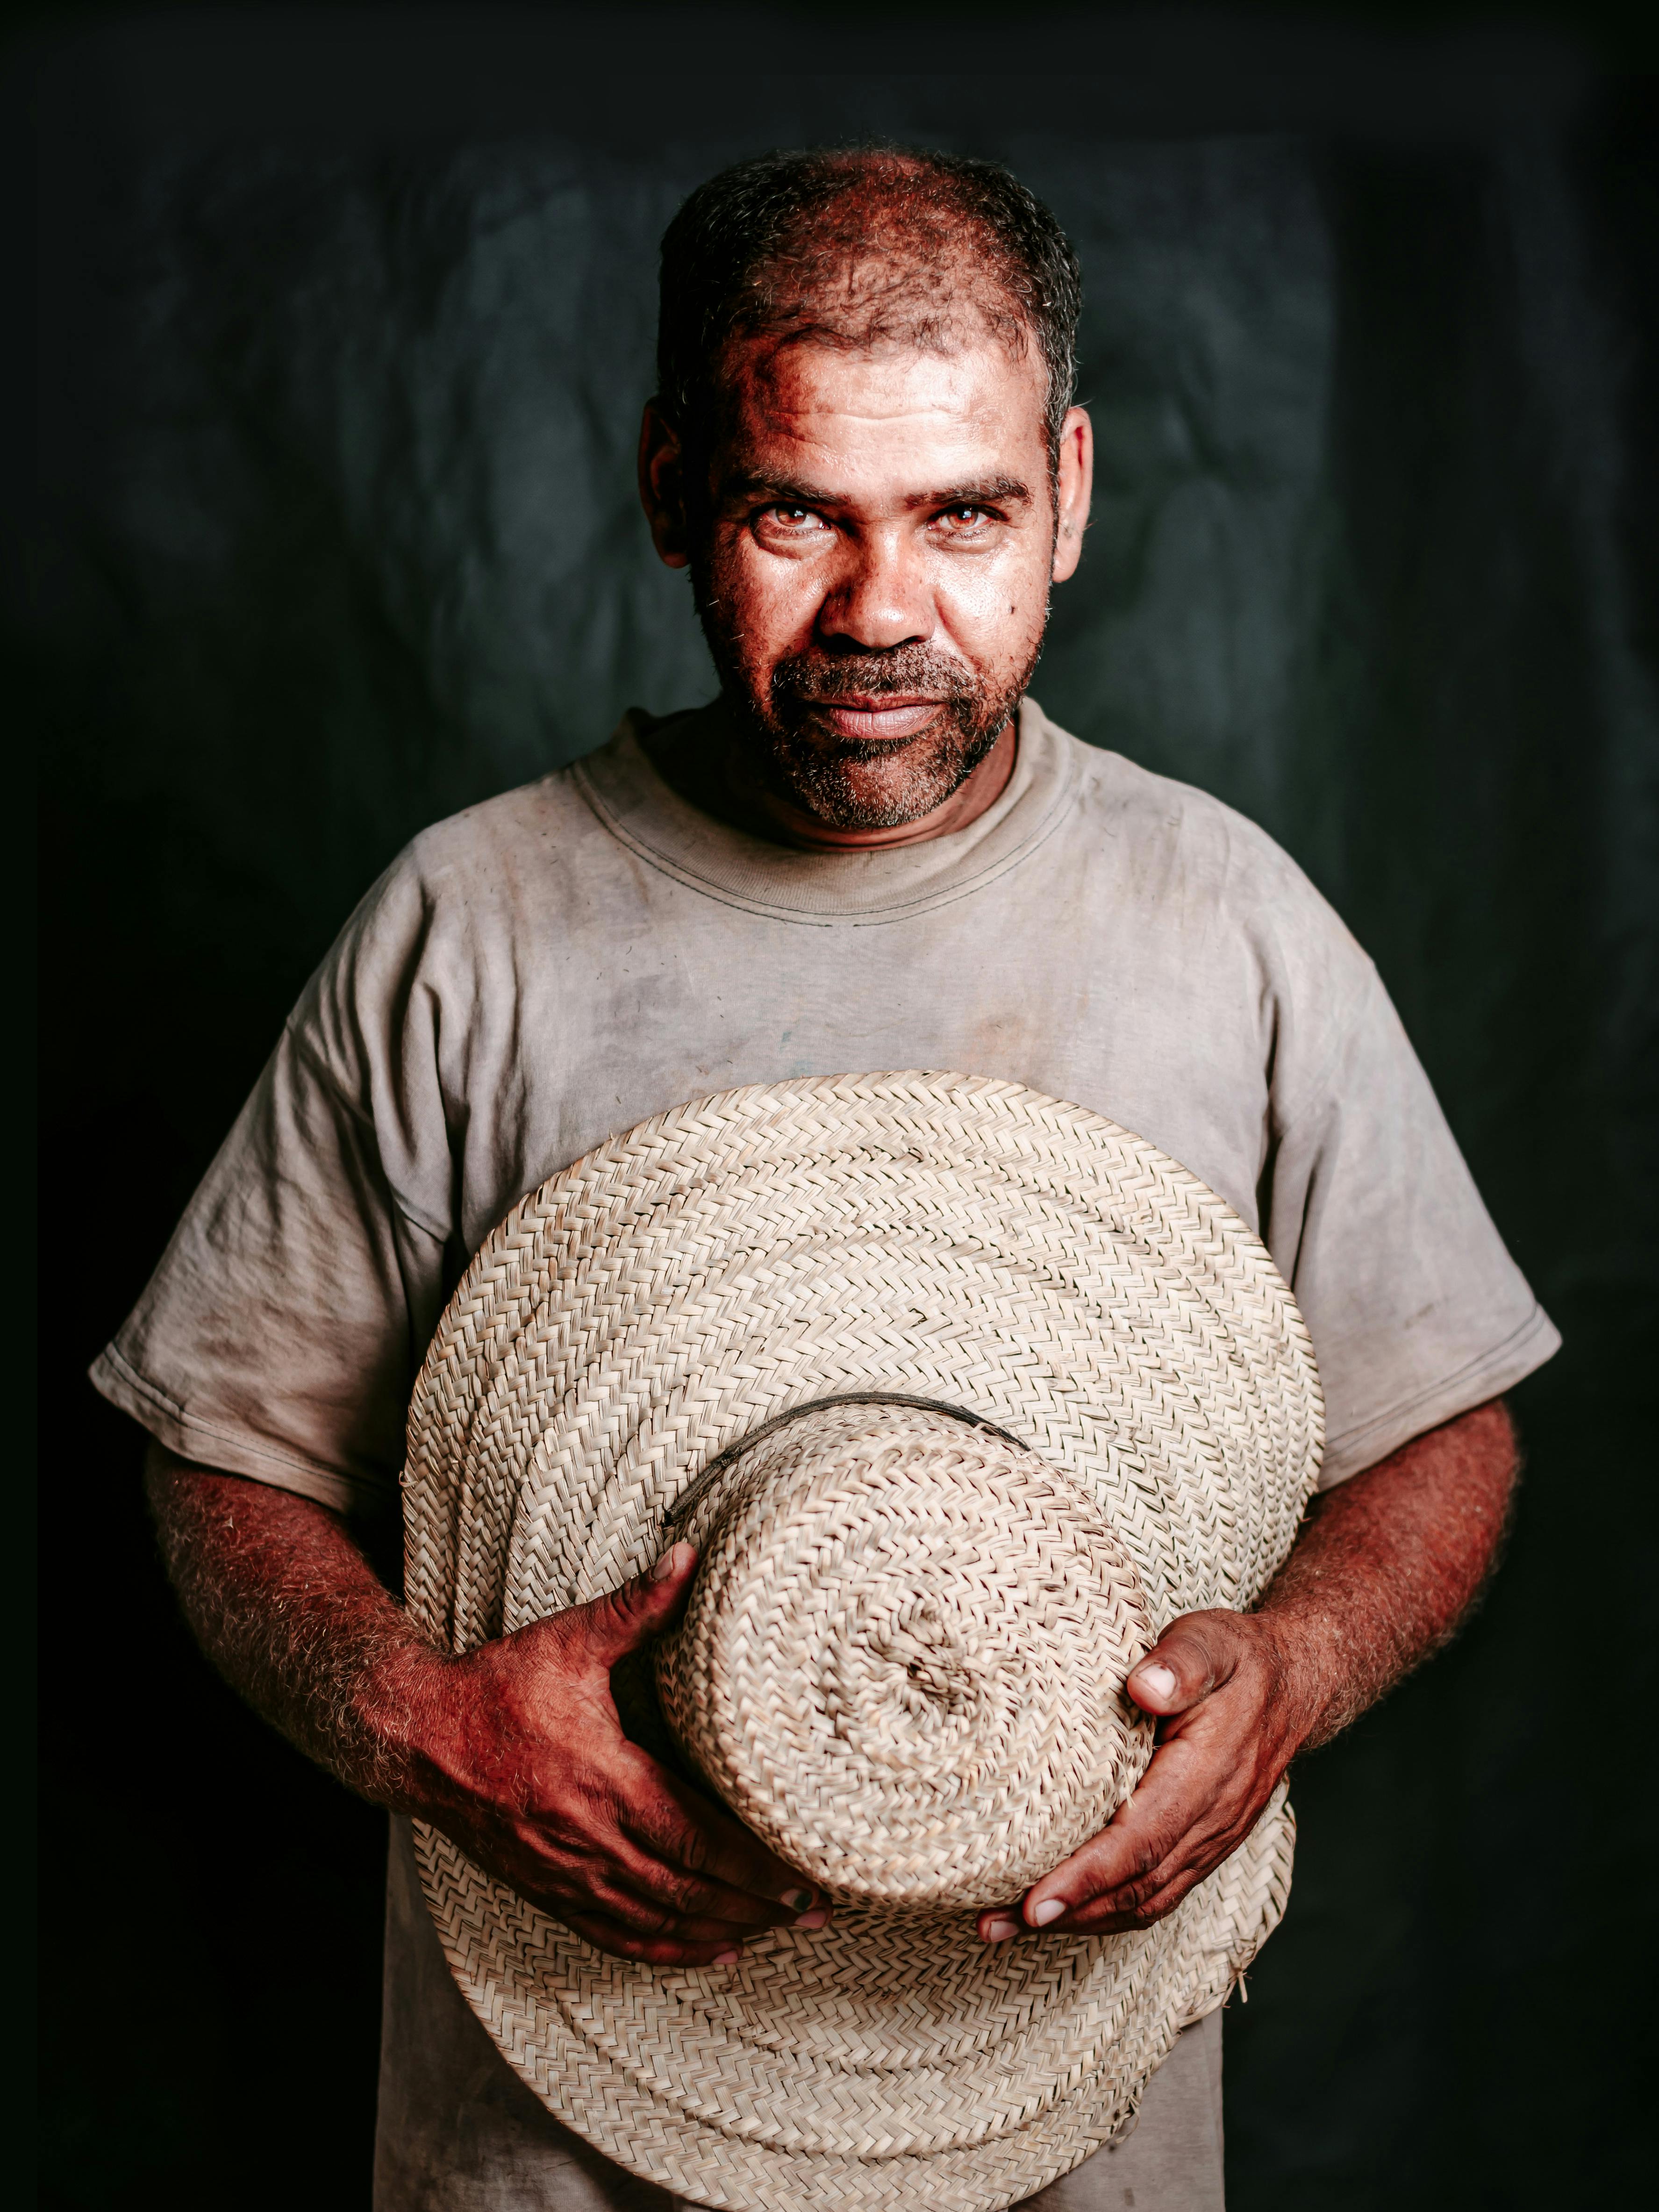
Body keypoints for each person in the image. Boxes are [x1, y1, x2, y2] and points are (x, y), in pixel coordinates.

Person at [93, 148, 1558, 2212]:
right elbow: (220, 1456)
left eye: (962, 513)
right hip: (541, 2142)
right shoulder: (468, 926)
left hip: (1075, 2128)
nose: (885, 612)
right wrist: (427, 1718)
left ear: (1067, 485)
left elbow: (1448, 1425)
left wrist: (1301, 1661)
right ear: (675, 483)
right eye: (802, 513)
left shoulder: (1228, 921)